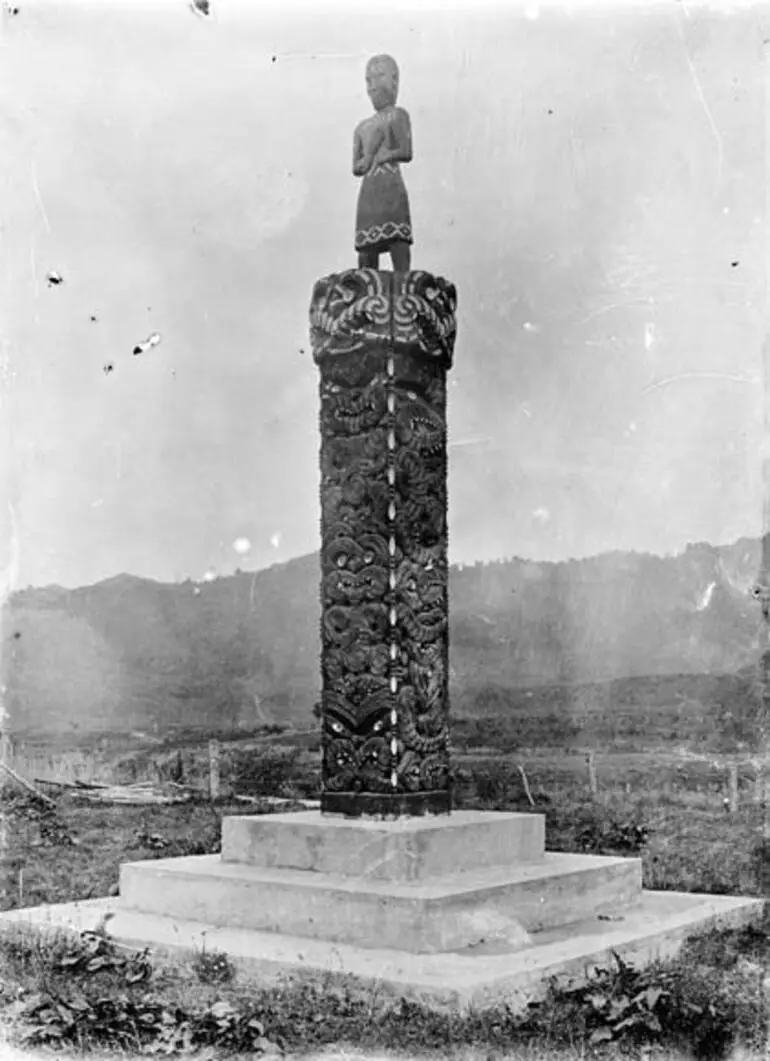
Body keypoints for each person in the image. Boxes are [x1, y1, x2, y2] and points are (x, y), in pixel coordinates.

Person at [353, 54, 413, 272]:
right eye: (369, 80)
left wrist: (381, 155)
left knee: (398, 243)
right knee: (366, 251)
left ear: (394, 80)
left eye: (379, 77)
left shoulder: (398, 116)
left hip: (391, 187)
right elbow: (356, 167)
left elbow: (405, 151)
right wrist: (367, 159)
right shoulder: (362, 128)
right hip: (369, 191)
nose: (373, 86)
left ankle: (403, 282)